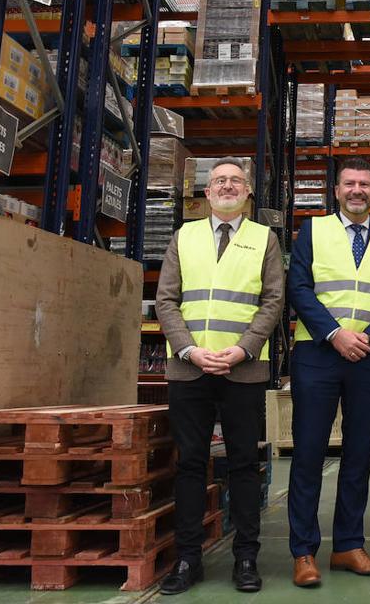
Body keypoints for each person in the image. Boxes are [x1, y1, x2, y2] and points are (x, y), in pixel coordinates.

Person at [156, 158, 283, 594]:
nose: (227, 186)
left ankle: (246, 557)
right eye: (219, 181)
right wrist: (190, 350)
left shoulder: (264, 239)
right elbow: (166, 301)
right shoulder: (183, 236)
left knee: (245, 465)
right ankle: (188, 559)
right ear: (206, 194)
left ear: (248, 193)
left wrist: (243, 349)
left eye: (235, 181)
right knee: (190, 464)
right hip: (190, 369)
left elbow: (273, 302)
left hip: (242, 369)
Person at [286, 158, 370, 588]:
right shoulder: (313, 231)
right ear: (336, 191)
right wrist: (335, 333)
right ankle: (303, 552)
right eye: (350, 184)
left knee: (359, 456)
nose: (357, 190)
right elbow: (298, 288)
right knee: (308, 454)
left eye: (365, 184)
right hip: (318, 353)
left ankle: (348, 546)